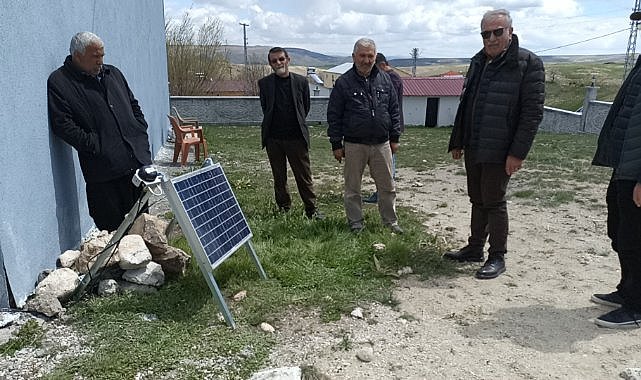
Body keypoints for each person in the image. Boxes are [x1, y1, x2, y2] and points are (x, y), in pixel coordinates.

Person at [445, 9, 545, 279]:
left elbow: (532, 114)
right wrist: (458, 140)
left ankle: (497, 256)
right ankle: (475, 247)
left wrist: (517, 153)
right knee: (477, 199)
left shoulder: (528, 64)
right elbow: (467, 104)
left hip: (501, 149)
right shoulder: (479, 61)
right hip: (475, 143)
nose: (491, 38)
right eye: (485, 33)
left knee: (494, 201)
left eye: (497, 32)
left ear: (510, 32)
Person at [48, 32, 152, 232]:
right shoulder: (61, 82)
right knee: (112, 235)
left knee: (142, 228)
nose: (100, 61)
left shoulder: (113, 74)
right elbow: (63, 125)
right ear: (77, 56)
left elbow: (133, 105)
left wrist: (139, 129)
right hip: (103, 175)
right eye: (95, 57)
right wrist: (96, 146)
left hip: (135, 166)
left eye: (102, 56)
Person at [327, 38, 403, 234]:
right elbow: (334, 115)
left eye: (370, 56)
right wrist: (336, 143)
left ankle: (390, 222)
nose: (366, 60)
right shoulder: (343, 82)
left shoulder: (385, 80)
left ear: (375, 57)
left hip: (382, 143)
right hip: (354, 144)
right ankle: (356, 223)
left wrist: (394, 137)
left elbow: (394, 110)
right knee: (353, 188)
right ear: (354, 57)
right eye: (362, 55)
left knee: (387, 186)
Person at [590, 56, 641, 329]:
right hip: (626, 164)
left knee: (634, 238)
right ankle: (627, 289)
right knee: (619, 230)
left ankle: (637, 305)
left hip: (637, 170)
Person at [258, 47, 324, 220]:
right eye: (274, 61)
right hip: (274, 139)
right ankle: (284, 209)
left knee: (304, 177)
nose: (278, 63)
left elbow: (305, 107)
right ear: (270, 64)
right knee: (279, 177)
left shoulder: (301, 82)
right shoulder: (264, 84)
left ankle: (312, 210)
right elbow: (266, 108)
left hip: (296, 138)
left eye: (281, 59)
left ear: (288, 59)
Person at [363, 52, 404, 204]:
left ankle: (384, 193)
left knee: (388, 166)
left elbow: (385, 104)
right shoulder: (393, 77)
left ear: (380, 65)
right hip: (388, 125)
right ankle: (381, 192)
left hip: (389, 127)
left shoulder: (391, 78)